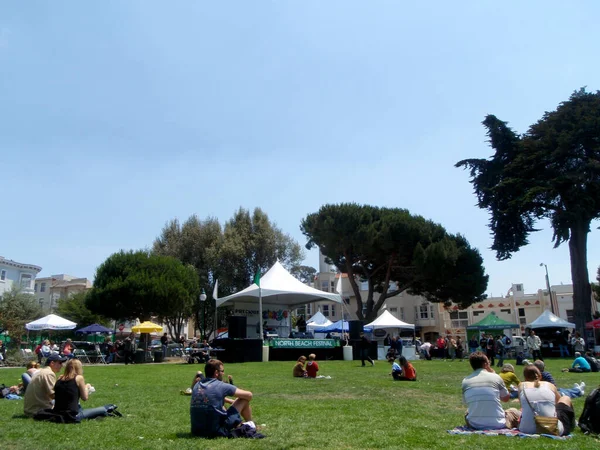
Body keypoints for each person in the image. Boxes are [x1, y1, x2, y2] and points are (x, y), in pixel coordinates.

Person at [190, 359, 256, 438]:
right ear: (216, 373)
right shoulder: (221, 385)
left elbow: (212, 398)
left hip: (196, 431)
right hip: (215, 431)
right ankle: (251, 424)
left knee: (220, 406)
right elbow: (249, 395)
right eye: (222, 371)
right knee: (243, 400)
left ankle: (240, 424)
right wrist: (235, 400)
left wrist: (230, 401)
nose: (223, 373)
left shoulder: (198, 384)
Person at [461, 351, 520, 429]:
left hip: (474, 425)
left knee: (468, 412)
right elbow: (506, 398)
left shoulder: (465, 381)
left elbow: (465, 402)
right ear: (485, 364)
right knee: (513, 411)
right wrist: (493, 373)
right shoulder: (495, 377)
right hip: (498, 423)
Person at [518, 365, 576, 436]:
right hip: (553, 428)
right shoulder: (550, 385)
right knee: (565, 398)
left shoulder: (521, 386)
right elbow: (558, 403)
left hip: (526, 429)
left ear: (525, 378)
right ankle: (573, 424)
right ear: (540, 376)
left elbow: (522, 407)